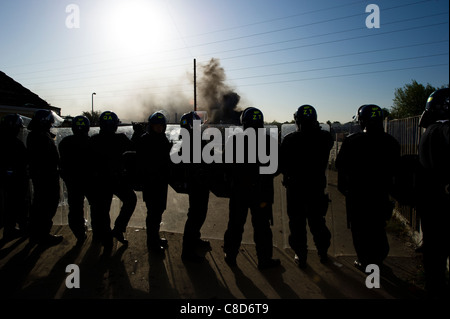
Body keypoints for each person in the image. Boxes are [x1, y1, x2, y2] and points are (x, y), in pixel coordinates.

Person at [336, 104, 400, 270]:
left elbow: (340, 166)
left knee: (359, 231)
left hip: (357, 196)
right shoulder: (391, 142)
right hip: (380, 195)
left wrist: (345, 189)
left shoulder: (352, 141)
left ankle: (365, 261)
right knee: (378, 228)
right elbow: (395, 170)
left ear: (361, 121)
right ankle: (378, 260)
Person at [223, 107, 281, 270]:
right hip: (262, 193)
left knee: (235, 224)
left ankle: (230, 254)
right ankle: (264, 260)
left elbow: (226, 166)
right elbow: (277, 168)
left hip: (239, 192)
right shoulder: (270, 141)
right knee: (262, 228)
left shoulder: (234, 140)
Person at [280, 105, 333, 268]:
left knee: (296, 223)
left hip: (295, 188)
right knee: (317, 222)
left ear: (297, 120)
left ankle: (301, 254)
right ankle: (322, 252)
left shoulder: (290, 139)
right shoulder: (325, 137)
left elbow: (282, 163)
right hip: (316, 187)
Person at [416, 88, 449, 298]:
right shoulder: (441, 130)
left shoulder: (431, 131)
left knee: (433, 255)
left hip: (430, 204)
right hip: (441, 207)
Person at [88, 111, 136, 252]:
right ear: (115, 125)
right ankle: (118, 229)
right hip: (116, 180)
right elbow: (134, 149)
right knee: (131, 200)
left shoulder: (93, 140)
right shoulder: (120, 139)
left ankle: (107, 239)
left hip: (100, 181)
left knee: (102, 212)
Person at [132, 111, 172, 253]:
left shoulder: (163, 139)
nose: (159, 128)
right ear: (151, 126)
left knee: (158, 212)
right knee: (153, 214)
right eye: (156, 126)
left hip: (161, 183)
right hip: (151, 183)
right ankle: (152, 244)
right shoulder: (145, 139)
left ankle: (155, 237)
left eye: (161, 126)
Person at [178, 111, 212, 262]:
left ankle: (195, 240)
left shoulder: (191, 138)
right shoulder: (190, 139)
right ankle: (187, 252)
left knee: (199, 214)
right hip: (197, 183)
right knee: (195, 216)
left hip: (200, 183)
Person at [26, 109, 63, 246]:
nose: (51, 124)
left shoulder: (36, 135)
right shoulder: (41, 137)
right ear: (44, 122)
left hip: (41, 176)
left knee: (39, 204)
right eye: (50, 122)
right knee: (47, 205)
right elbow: (47, 158)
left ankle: (35, 234)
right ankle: (43, 236)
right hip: (46, 176)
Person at [58, 115, 92, 245]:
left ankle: (79, 233)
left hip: (72, 182)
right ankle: (98, 233)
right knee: (96, 206)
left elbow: (61, 162)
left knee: (75, 209)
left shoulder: (65, 142)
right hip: (89, 181)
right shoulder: (90, 142)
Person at [0, 114, 29, 240]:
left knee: (10, 205)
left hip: (9, 180)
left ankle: (10, 229)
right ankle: (19, 228)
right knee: (17, 204)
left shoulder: (5, 140)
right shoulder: (14, 142)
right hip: (15, 180)